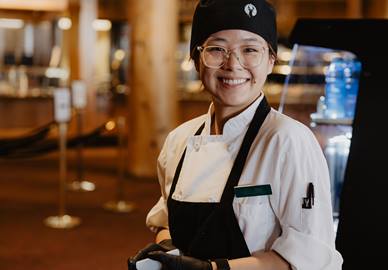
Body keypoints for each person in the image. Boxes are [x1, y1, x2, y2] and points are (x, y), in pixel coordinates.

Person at [128, 0, 343, 269]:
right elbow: (165, 224)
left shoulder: (289, 140)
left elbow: (307, 256)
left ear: (270, 61)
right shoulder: (179, 140)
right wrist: (165, 254)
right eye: (217, 49)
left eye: (250, 50)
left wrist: (213, 269)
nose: (233, 64)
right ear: (196, 59)